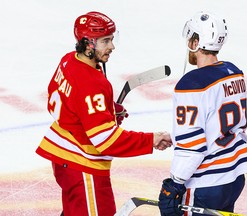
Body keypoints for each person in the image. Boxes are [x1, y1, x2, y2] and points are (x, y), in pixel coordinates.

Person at [35, 11, 172, 216]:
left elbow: (59, 98)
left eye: (112, 39)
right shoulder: (92, 83)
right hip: (83, 165)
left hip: (63, 160)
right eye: (105, 41)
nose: (112, 46)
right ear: (88, 43)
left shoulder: (69, 60)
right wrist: (151, 140)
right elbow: (106, 141)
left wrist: (103, 111)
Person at [158, 11, 247, 216]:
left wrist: (175, 182)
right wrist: (176, 136)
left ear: (196, 41)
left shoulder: (192, 84)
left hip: (205, 182)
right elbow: (219, 124)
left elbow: (192, 146)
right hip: (234, 178)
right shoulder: (234, 72)